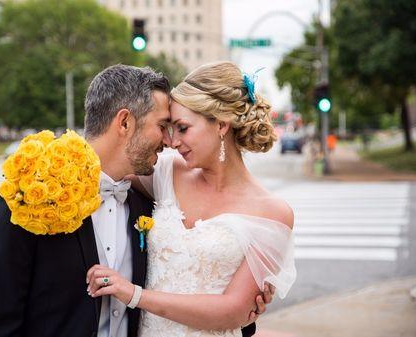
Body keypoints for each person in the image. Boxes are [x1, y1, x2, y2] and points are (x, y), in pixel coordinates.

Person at [0, 64, 269, 337]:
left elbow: (183, 271)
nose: (169, 141)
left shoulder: (149, 200)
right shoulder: (31, 195)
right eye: (163, 125)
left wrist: (241, 310)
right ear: (125, 122)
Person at [86, 61, 297, 337]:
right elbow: (106, 166)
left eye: (182, 128)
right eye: (169, 128)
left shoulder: (272, 213)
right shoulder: (165, 172)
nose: (172, 142)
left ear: (221, 124)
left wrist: (134, 295)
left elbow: (234, 310)